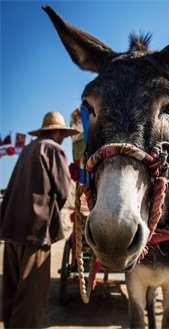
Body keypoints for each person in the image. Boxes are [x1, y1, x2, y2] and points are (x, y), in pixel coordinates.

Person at [0, 111, 79, 328]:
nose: (63, 137)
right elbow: (63, 191)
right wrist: (52, 215)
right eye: (62, 133)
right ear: (58, 132)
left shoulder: (27, 149)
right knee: (31, 298)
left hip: (11, 228)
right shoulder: (54, 149)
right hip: (34, 231)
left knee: (12, 291)